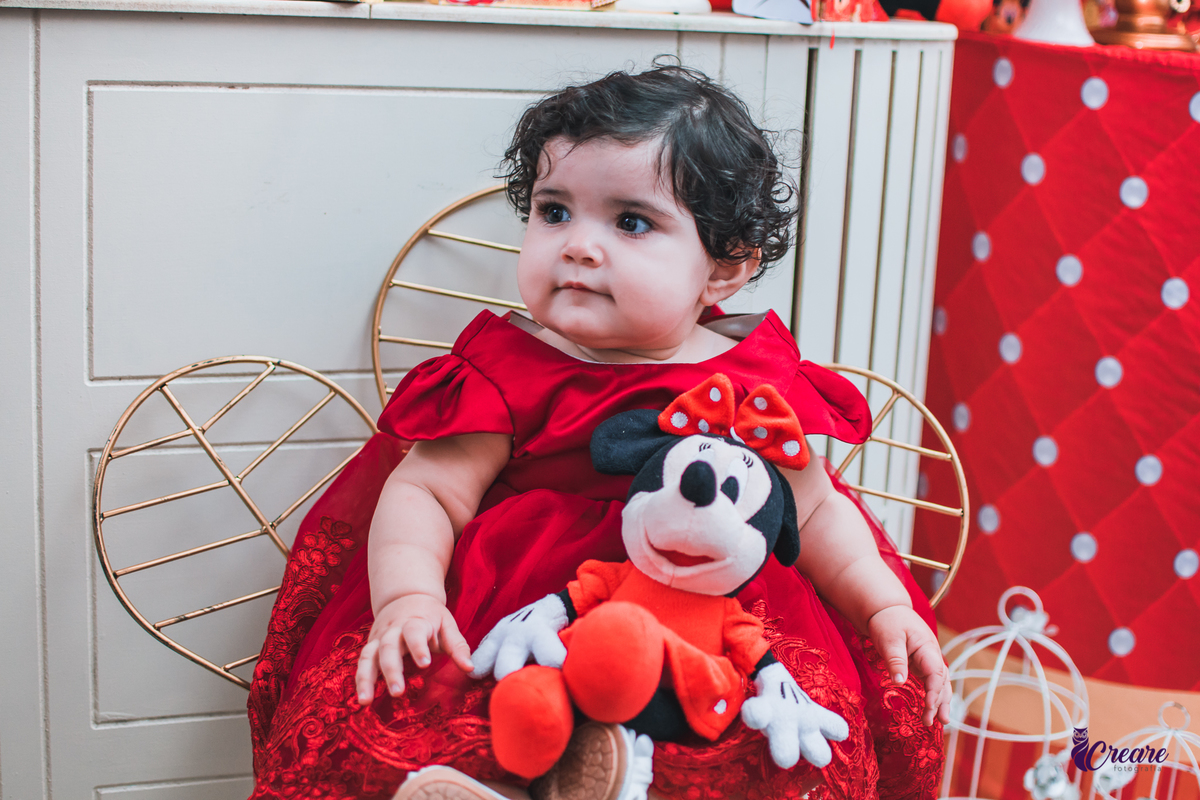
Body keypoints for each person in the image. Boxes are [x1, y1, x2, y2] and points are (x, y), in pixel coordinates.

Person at [248, 62, 950, 800]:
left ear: (724, 268)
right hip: (519, 609)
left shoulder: (756, 383)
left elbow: (816, 512)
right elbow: (426, 491)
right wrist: (409, 598)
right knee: (440, 722)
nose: (578, 246)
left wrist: (882, 605)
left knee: (759, 756)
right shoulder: (507, 370)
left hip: (711, 620)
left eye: (631, 222)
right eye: (554, 211)